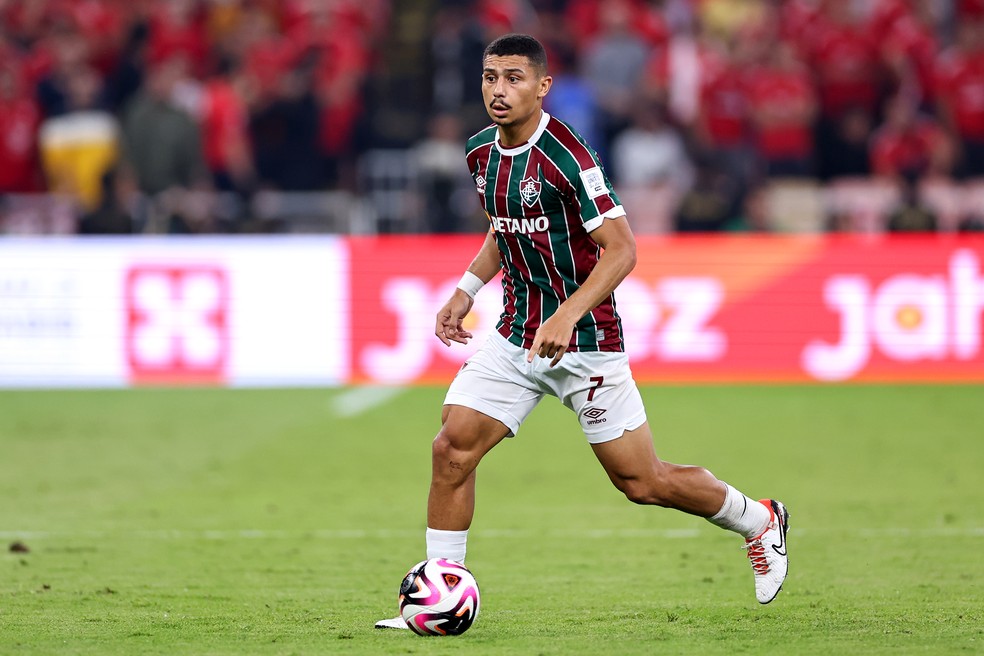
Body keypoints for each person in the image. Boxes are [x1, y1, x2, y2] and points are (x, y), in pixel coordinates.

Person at [375, 34, 789, 630]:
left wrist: (568, 314)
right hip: (517, 334)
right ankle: (442, 593)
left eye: (514, 78)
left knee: (642, 482)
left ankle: (759, 520)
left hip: (586, 340)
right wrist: (466, 289)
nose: (499, 90)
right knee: (452, 449)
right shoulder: (479, 152)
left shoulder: (568, 157)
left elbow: (622, 249)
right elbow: (504, 227)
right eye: (490, 77)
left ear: (543, 86)